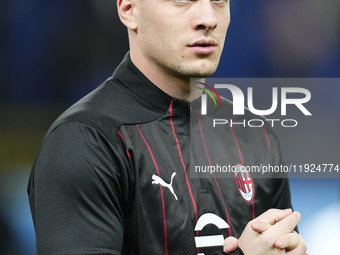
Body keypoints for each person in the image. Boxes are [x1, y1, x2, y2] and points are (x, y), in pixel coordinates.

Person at [28, 0, 308, 254]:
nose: (208, 18)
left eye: (219, 1)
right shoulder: (84, 141)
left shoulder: (254, 134)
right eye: (183, 0)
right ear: (129, 10)